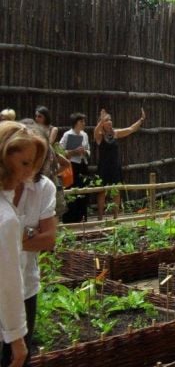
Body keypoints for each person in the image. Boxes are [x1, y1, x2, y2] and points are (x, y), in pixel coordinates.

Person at [0, 121, 48, 367]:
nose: (28, 173)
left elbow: (49, 238)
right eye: (24, 163)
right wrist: (18, 339)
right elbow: (8, 284)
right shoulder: (6, 218)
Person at [11, 124, 56, 366]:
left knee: (20, 354)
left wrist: (10, 238)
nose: (31, 168)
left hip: (25, 285)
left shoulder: (43, 188)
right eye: (27, 161)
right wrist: (28, 233)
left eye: (37, 161)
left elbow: (49, 239)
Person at [93, 108, 145, 219]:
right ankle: (100, 217)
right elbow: (95, 131)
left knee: (116, 191)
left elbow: (131, 129)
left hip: (115, 166)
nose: (110, 122)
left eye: (110, 120)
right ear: (102, 123)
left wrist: (141, 120)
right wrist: (101, 121)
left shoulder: (115, 133)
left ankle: (116, 216)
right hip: (104, 167)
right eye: (107, 120)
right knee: (102, 191)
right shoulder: (99, 136)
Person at [59, 113, 90, 223]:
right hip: (71, 166)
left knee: (83, 191)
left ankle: (81, 217)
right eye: (81, 121)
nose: (83, 124)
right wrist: (73, 152)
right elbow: (60, 151)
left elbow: (89, 150)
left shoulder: (85, 135)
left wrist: (84, 151)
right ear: (76, 122)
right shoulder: (67, 135)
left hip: (82, 165)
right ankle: (70, 219)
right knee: (71, 190)